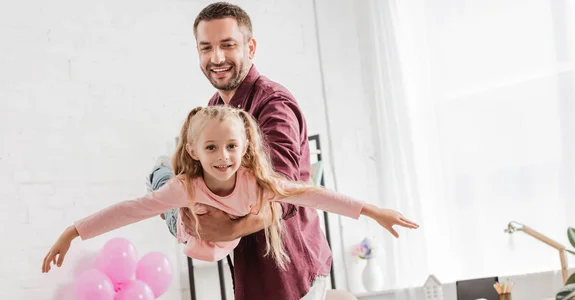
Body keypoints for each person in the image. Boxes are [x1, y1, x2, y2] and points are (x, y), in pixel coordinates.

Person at [148, 2, 412, 299]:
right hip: (258, 272)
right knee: (163, 171)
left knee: (161, 173)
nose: (216, 57)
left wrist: (228, 230)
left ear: (251, 47)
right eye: (206, 48)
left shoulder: (274, 105)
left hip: (287, 274)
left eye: (227, 45)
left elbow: (282, 194)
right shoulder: (216, 109)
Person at [41, 105, 419, 276]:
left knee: (171, 193)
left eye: (232, 147)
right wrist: (72, 232)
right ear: (194, 150)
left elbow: (313, 194)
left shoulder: (259, 183)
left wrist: (372, 211)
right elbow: (128, 210)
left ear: (246, 147)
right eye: (210, 148)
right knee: (160, 189)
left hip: (217, 244)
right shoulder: (186, 186)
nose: (223, 158)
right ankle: (160, 166)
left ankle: (162, 171)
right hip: (184, 227)